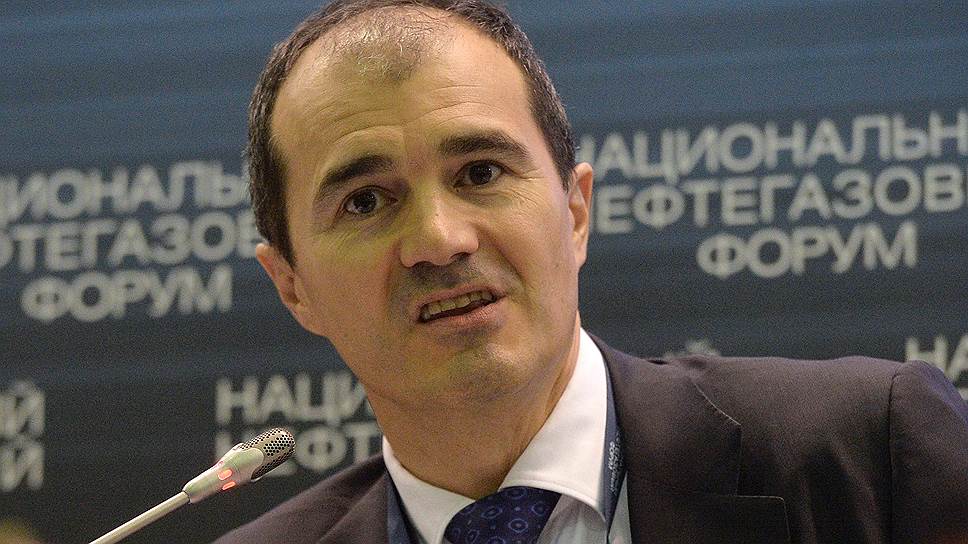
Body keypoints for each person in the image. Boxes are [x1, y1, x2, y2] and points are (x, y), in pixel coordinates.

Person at [215, 1, 968, 543]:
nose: (439, 241)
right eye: (365, 201)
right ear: (292, 286)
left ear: (575, 213)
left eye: (481, 172)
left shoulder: (867, 455)